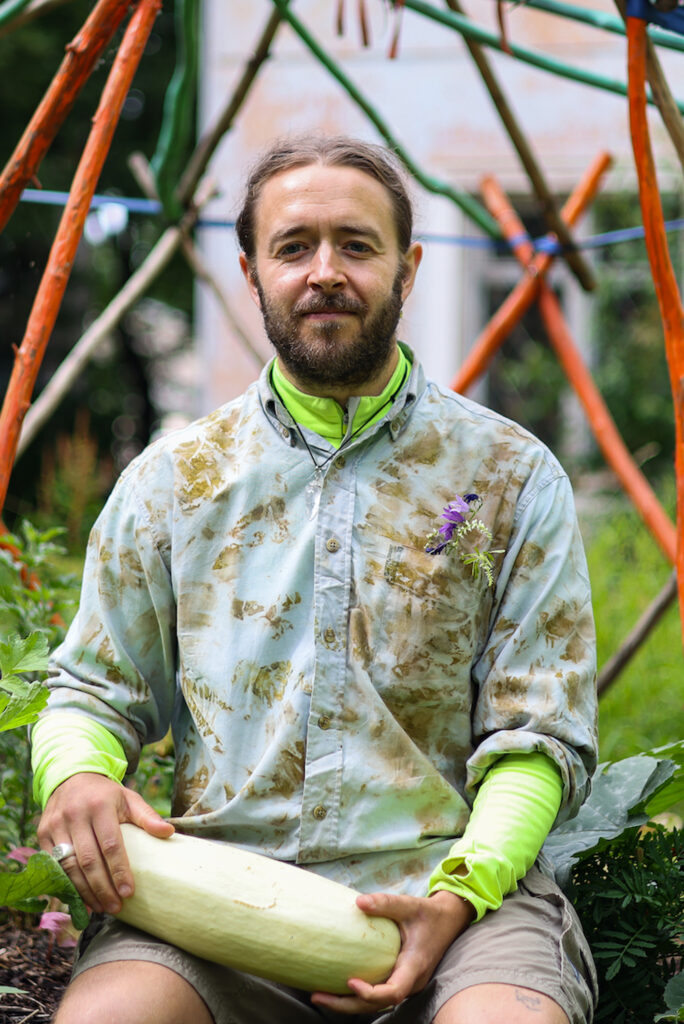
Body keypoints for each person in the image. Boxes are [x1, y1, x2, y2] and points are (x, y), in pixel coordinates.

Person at [33, 135, 599, 1024]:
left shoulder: (510, 475)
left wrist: (460, 893)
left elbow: (540, 736)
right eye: (294, 246)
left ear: (408, 268)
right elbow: (91, 694)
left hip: (461, 905)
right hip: (215, 901)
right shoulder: (174, 480)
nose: (325, 271)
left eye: (357, 245)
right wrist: (75, 777)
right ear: (252, 269)